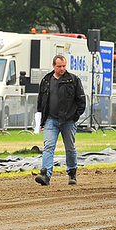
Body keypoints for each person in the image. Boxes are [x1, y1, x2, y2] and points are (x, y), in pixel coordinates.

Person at [35, 55, 86, 186]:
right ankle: (45, 174)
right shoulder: (46, 80)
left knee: (70, 148)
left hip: (69, 120)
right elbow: (41, 101)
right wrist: (41, 119)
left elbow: (81, 100)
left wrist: (75, 116)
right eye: (59, 66)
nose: (62, 68)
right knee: (48, 147)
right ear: (53, 66)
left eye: (64, 66)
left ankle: (72, 173)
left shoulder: (73, 80)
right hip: (51, 120)